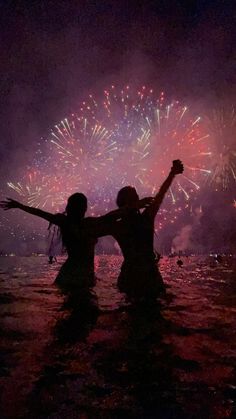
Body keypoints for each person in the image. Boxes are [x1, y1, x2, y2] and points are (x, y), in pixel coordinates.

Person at [0, 192, 152, 290]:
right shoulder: (88, 224)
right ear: (85, 208)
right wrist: (134, 206)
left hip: (67, 275)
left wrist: (19, 206)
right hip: (84, 277)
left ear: (69, 206)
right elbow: (111, 216)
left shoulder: (64, 222)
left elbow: (40, 213)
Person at [107, 160, 184, 300]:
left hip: (135, 275)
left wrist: (172, 174)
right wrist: (172, 174)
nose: (137, 197)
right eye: (134, 196)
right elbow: (103, 219)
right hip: (146, 275)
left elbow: (161, 194)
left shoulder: (121, 224)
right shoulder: (132, 221)